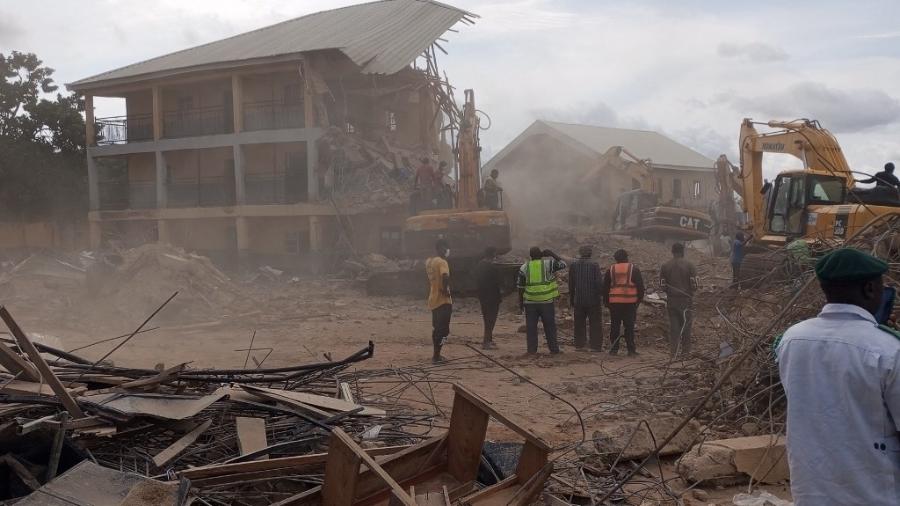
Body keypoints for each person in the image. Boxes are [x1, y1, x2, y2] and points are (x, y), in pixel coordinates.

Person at [776, 248, 900, 505]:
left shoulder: (792, 339)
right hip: (873, 493)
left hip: (811, 489)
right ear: (869, 289)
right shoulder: (888, 350)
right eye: (880, 285)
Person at [518, 247, 566, 355]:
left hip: (530, 302)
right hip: (546, 302)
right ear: (541, 255)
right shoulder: (548, 264)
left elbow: (520, 287)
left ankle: (531, 350)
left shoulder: (524, 267)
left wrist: (521, 303)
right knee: (550, 326)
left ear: (530, 256)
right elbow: (563, 264)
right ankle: (554, 350)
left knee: (531, 328)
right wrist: (552, 254)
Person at [660, 243, 699, 357]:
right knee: (686, 327)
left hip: (672, 301)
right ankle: (685, 352)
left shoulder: (665, 266)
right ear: (683, 251)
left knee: (674, 328)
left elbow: (662, 286)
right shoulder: (690, 265)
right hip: (686, 300)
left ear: (672, 251)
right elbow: (695, 285)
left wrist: (670, 291)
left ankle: (673, 353)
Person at [603, 249, 645, 356]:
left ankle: (613, 350)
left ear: (615, 259)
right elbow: (641, 287)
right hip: (630, 303)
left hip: (614, 303)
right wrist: (638, 300)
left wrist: (606, 302)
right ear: (627, 257)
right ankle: (631, 350)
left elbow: (605, 288)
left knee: (615, 326)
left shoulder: (611, 270)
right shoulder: (634, 269)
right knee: (629, 326)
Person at [568, 245, 604, 352]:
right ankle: (596, 346)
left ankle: (579, 345)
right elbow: (598, 283)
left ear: (580, 253)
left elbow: (571, 284)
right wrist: (601, 295)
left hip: (579, 300)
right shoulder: (594, 265)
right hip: (593, 300)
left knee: (579, 323)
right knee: (595, 323)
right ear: (590, 253)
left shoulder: (574, 265)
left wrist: (572, 298)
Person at [425, 239, 452, 363]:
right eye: (446, 247)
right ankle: (437, 356)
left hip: (433, 299)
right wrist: (446, 290)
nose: (447, 251)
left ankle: (435, 354)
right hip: (443, 301)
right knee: (445, 331)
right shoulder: (442, 262)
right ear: (440, 247)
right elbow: (445, 276)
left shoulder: (429, 261)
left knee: (436, 329)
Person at [474, 247, 502, 350]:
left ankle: (489, 340)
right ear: (493, 254)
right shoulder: (492, 267)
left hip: (483, 296)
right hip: (492, 297)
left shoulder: (479, 265)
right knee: (491, 320)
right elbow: (497, 283)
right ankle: (486, 342)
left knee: (487, 319)